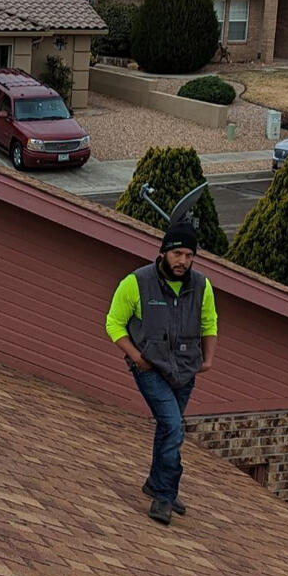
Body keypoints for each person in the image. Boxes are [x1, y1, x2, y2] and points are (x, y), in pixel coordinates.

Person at [105, 222, 218, 525]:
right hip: (150, 368)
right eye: (177, 253)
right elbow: (114, 323)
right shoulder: (137, 282)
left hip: (185, 370)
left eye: (189, 255)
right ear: (164, 252)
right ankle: (164, 497)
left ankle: (157, 482)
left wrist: (207, 360)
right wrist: (137, 357)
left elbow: (209, 323)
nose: (183, 261)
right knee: (173, 426)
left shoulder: (202, 286)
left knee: (168, 429)